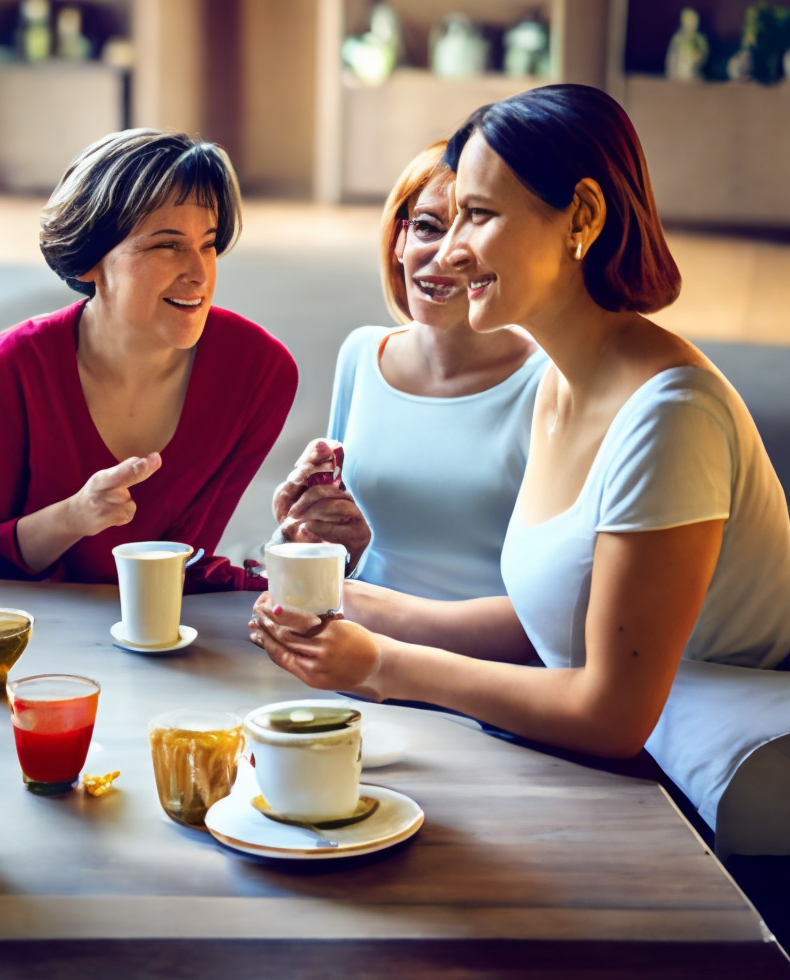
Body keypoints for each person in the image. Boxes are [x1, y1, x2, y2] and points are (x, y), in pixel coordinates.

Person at [250, 84, 790, 848]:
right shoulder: (558, 386)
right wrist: (333, 600)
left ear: (583, 220)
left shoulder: (673, 417)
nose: (453, 249)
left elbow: (612, 713)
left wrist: (386, 666)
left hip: (716, 801)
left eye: (479, 214)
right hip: (607, 767)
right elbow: (553, 624)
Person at [0, 129, 297, 591]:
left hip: (163, 630)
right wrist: (74, 515)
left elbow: (187, 565)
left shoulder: (259, 372)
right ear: (90, 260)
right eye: (167, 245)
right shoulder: (8, 369)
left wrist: (306, 555)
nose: (199, 272)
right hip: (36, 637)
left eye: (208, 244)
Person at [273, 141, 546, 599]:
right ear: (399, 240)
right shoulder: (361, 355)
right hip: (360, 643)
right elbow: (347, 555)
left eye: (474, 231)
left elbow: (555, 607)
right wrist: (305, 533)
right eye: (427, 226)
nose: (443, 255)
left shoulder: (547, 383)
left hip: (487, 662)